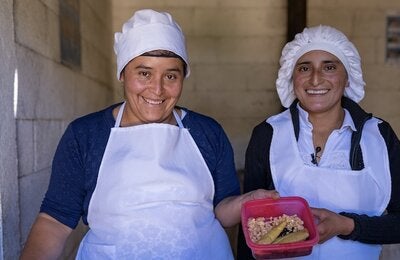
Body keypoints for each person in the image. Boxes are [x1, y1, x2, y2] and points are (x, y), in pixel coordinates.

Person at [20, 9, 278, 260]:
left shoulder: (207, 132)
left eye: (170, 75)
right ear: (122, 74)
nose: (157, 89)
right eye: (144, 73)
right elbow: (54, 221)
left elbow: (222, 210)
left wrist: (248, 201)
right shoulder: (85, 136)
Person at [237, 25, 400, 259]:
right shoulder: (268, 134)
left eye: (329, 67)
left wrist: (347, 225)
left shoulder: (379, 136)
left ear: (348, 78)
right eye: (305, 68)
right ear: (292, 77)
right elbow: (250, 227)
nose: (315, 79)